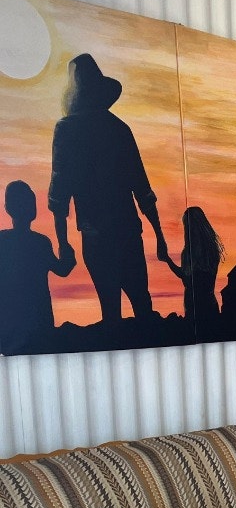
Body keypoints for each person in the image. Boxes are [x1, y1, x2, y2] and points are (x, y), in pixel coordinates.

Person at [48, 53, 168, 326]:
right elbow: (142, 189)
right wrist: (159, 236)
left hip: (96, 235)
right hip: (128, 230)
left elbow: (59, 194)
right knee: (142, 303)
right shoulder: (119, 128)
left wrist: (63, 242)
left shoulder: (66, 130)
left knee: (110, 310)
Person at [0, 180, 76, 355]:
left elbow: (63, 269)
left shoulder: (7, 241)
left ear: (7, 208)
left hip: (14, 327)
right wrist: (66, 250)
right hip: (37, 324)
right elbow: (63, 269)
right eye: (29, 201)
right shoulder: (40, 242)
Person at [159, 206, 224, 337]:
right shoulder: (210, 249)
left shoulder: (191, 252)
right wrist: (168, 260)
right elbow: (188, 276)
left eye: (187, 225)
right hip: (207, 304)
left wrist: (168, 260)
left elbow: (187, 278)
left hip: (197, 307)